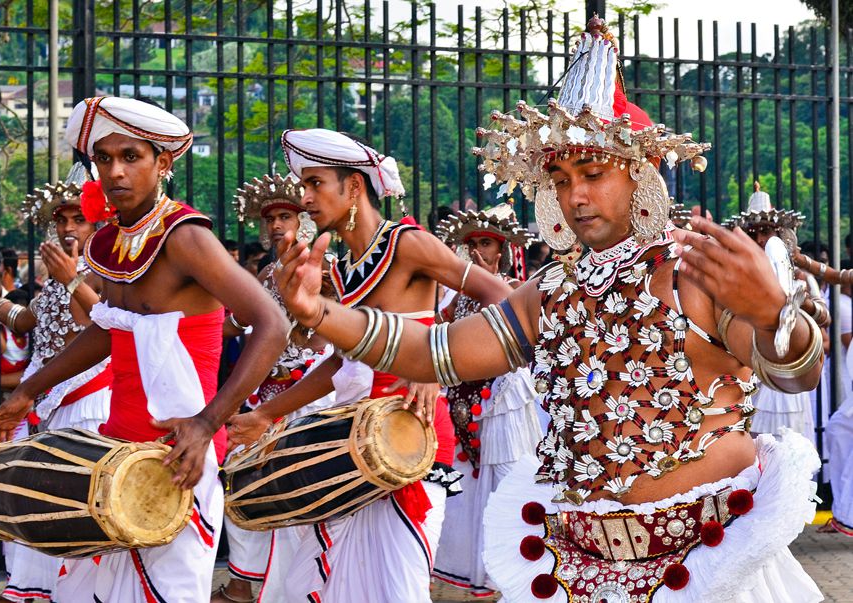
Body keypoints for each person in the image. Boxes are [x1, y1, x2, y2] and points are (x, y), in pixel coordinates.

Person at [271, 18, 825, 603]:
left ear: (641, 174)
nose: (575, 195)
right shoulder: (549, 291)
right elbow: (434, 353)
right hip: (580, 569)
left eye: (592, 174)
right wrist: (317, 311)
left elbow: (795, 372)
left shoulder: (694, 272)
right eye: (560, 179)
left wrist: (773, 317)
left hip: (711, 567)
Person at [0, 96, 288, 603]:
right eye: (104, 159)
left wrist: (208, 424)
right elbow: (109, 330)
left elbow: (272, 324)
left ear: (163, 163)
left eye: (131, 157)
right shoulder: (114, 240)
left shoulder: (185, 237)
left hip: (178, 454)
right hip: (117, 448)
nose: (115, 171)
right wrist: (26, 393)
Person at [225, 128, 512, 603]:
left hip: (411, 444)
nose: (307, 197)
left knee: (396, 590)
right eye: (305, 186)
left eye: (316, 183)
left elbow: (501, 301)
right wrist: (264, 415)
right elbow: (342, 362)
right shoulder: (342, 266)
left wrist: (436, 367)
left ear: (353, 187)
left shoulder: (407, 243)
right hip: (352, 445)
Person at [0, 162, 113, 603]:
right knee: (39, 501)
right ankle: (33, 591)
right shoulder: (52, 281)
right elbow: (26, 321)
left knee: (74, 507)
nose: (66, 227)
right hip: (48, 406)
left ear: (98, 222)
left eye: (77, 218)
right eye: (60, 219)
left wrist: (74, 279)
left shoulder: (109, 271)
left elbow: (104, 324)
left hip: (90, 405)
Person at [213, 174, 336, 603]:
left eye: (286, 215)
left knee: (295, 496)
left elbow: (342, 328)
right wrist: (199, 324)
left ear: (304, 219)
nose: (277, 225)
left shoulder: (328, 267)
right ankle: (245, 583)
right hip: (262, 399)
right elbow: (238, 323)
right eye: (271, 219)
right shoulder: (266, 271)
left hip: (308, 396)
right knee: (244, 484)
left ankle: (292, 590)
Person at [431, 203, 543, 597]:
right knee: (464, 490)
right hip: (462, 399)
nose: (478, 250)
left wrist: (484, 280)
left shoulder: (512, 287)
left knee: (506, 480)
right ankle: (466, 571)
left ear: (503, 250)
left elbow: (515, 326)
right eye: (473, 243)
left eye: (486, 243)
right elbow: (438, 331)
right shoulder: (455, 295)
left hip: (501, 401)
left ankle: (509, 573)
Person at [721, 183, 820, 443]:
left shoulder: (800, 277)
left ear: (778, 233)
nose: (761, 239)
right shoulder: (735, 279)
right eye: (753, 233)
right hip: (749, 372)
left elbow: (823, 321)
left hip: (789, 370)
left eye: (765, 231)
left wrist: (802, 304)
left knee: (792, 453)